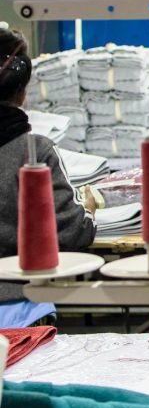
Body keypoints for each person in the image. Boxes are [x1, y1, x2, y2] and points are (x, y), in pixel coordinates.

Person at [0, 30, 97, 328]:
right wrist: (90, 211)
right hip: (18, 306)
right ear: (23, 92)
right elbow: (70, 235)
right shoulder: (33, 151)